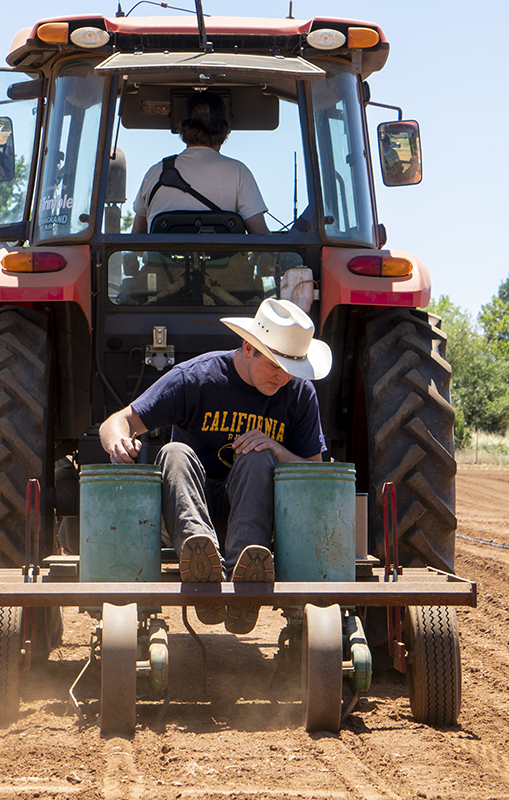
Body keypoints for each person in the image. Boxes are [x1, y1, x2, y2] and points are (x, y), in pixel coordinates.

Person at [99, 298, 332, 633]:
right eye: (275, 366)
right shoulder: (196, 378)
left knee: (258, 455)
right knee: (174, 451)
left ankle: (247, 572)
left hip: (255, 517)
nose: (283, 378)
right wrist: (119, 442)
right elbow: (118, 422)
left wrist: (277, 450)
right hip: (188, 513)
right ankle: (200, 563)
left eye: (291, 369)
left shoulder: (299, 394)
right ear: (248, 348)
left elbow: (316, 475)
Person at [131, 91, 271, 235]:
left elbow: (136, 238)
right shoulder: (239, 172)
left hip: (161, 259)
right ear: (225, 130)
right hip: (224, 258)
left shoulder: (156, 172)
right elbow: (261, 237)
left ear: (182, 127)